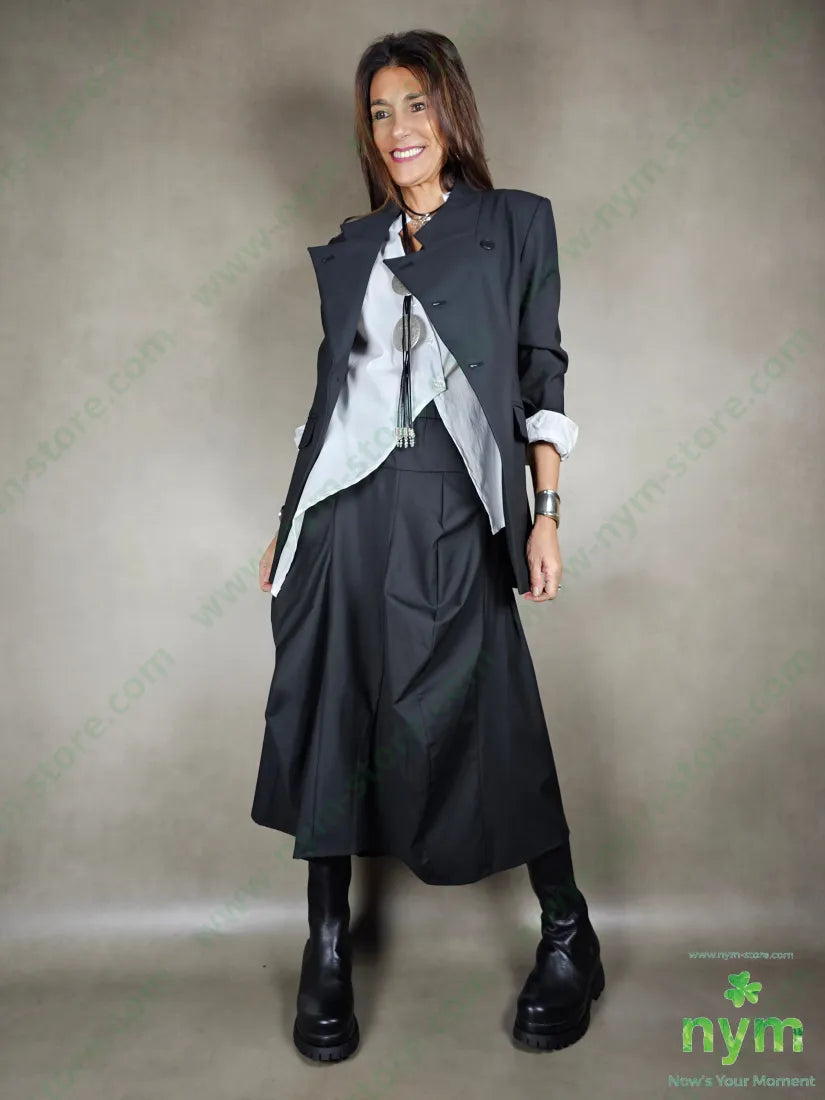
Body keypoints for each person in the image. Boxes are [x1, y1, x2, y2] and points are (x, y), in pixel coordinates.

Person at [250, 28, 605, 1062]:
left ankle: (568, 931)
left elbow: (540, 371)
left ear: (451, 111)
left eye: (415, 104)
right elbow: (333, 393)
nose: (397, 129)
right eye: (379, 112)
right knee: (329, 700)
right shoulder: (357, 242)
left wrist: (545, 511)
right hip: (344, 513)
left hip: (454, 501)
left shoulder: (513, 222)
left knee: (492, 709)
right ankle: (326, 940)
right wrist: (287, 520)